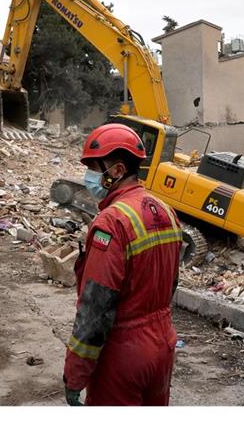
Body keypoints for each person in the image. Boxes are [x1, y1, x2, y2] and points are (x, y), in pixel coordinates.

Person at [62, 123, 183, 406]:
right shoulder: (166, 211)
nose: (89, 176)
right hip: (163, 344)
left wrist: (75, 374)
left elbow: (95, 308)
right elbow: (172, 283)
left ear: (117, 171)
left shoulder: (112, 221)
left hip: (123, 354)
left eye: (94, 168)